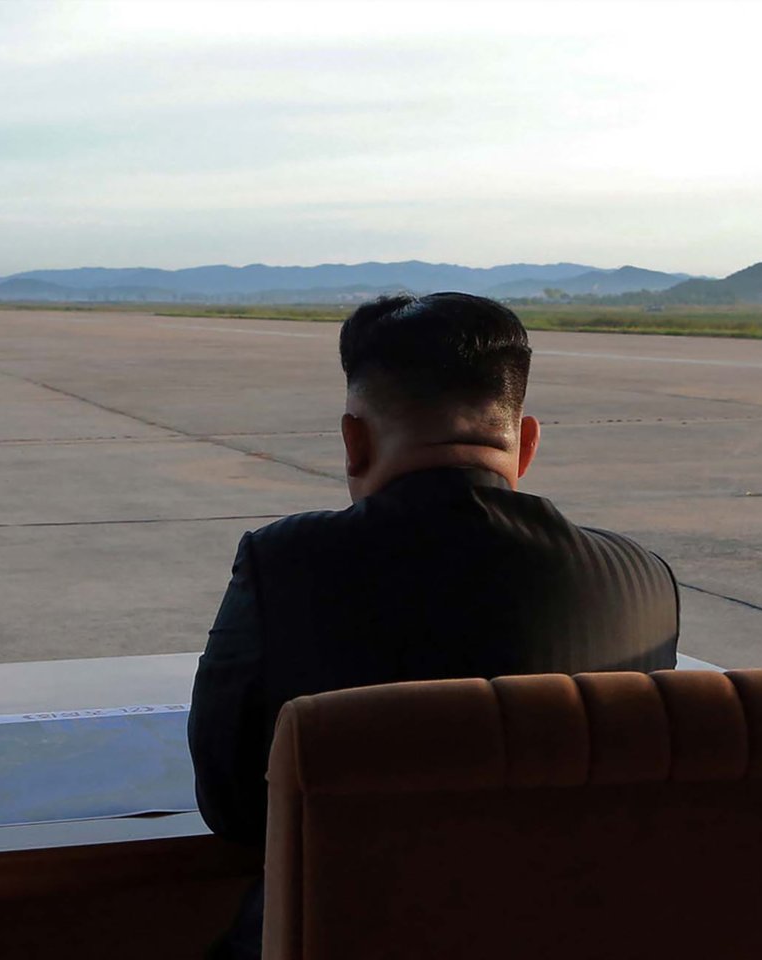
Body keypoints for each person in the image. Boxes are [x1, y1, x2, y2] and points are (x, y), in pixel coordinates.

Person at [188, 292, 679, 957]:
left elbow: (232, 807)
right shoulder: (643, 580)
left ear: (354, 441)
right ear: (526, 444)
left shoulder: (285, 562)